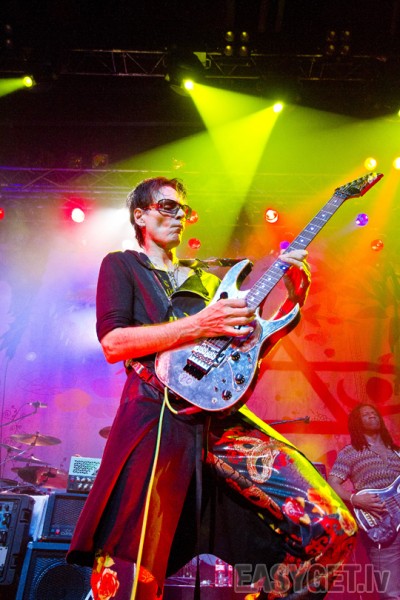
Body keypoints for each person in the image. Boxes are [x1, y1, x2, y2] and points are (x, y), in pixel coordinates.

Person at [67, 176, 357, 600]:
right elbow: (114, 343)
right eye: (168, 207)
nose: (179, 216)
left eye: (184, 210)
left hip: (218, 422)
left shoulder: (205, 280)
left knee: (331, 525)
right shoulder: (121, 265)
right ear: (140, 216)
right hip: (155, 415)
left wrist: (291, 304)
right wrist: (200, 324)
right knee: (131, 568)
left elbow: (245, 357)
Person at [328, 403, 400, 599]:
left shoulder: (396, 451)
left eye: (374, 413)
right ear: (357, 423)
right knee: (391, 592)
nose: (372, 416)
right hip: (380, 524)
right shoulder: (351, 452)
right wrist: (355, 499)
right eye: (366, 414)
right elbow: (332, 482)